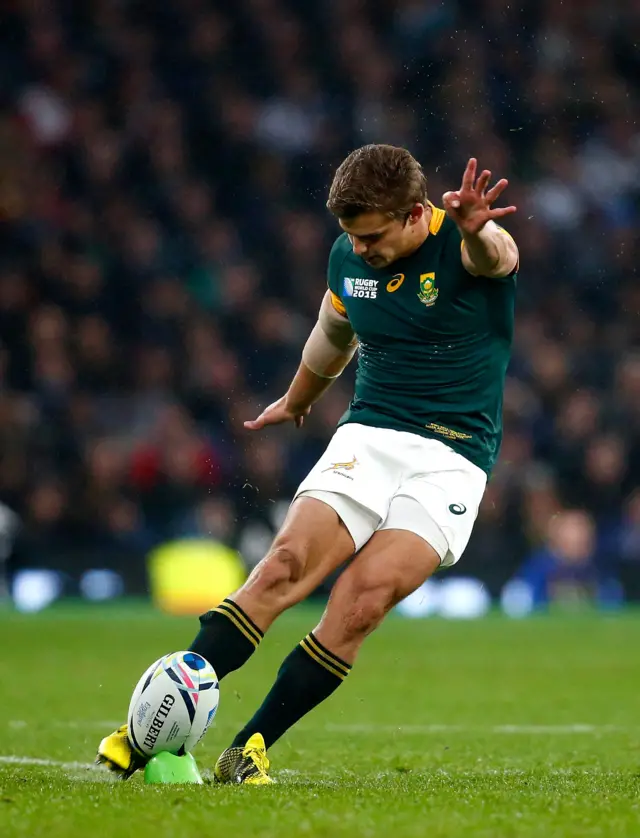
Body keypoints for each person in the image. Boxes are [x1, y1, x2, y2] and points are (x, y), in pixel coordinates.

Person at [97, 144, 519, 783]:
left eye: (372, 235)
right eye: (350, 235)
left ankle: (249, 748)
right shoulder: (349, 255)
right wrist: (297, 399)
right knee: (283, 567)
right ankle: (145, 732)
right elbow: (333, 329)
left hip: (453, 458)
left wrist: (479, 227)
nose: (361, 248)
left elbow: (499, 257)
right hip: (370, 436)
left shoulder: (463, 243)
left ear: (414, 215)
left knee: (362, 603)